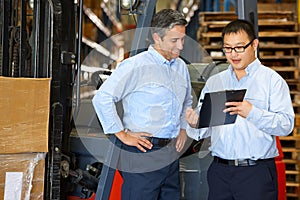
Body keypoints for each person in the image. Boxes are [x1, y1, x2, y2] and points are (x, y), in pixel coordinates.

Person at [185, 19, 295, 200]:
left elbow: (286, 125)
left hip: (255, 174)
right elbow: (203, 130)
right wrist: (195, 122)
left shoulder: (272, 81)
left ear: (254, 45)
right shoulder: (215, 82)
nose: (233, 54)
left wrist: (252, 112)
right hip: (220, 172)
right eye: (227, 48)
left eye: (239, 48)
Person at [92, 9, 193, 200]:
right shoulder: (135, 66)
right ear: (157, 37)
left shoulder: (181, 67)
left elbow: (186, 101)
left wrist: (183, 128)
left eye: (183, 39)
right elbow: (102, 98)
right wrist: (121, 134)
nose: (180, 46)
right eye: (174, 40)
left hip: (171, 154)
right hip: (143, 152)